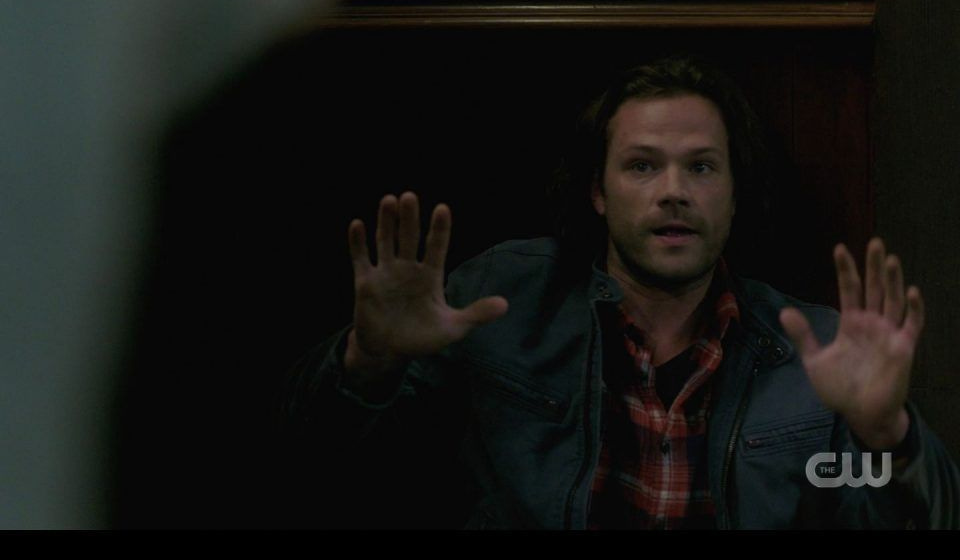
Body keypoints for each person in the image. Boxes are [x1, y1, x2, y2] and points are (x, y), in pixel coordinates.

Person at [283, 56, 960, 529]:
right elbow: (323, 467)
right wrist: (369, 362)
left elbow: (922, 518)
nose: (674, 190)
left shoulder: (818, 354)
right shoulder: (501, 300)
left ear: (735, 195)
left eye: (701, 167)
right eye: (642, 165)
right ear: (599, 192)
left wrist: (887, 437)